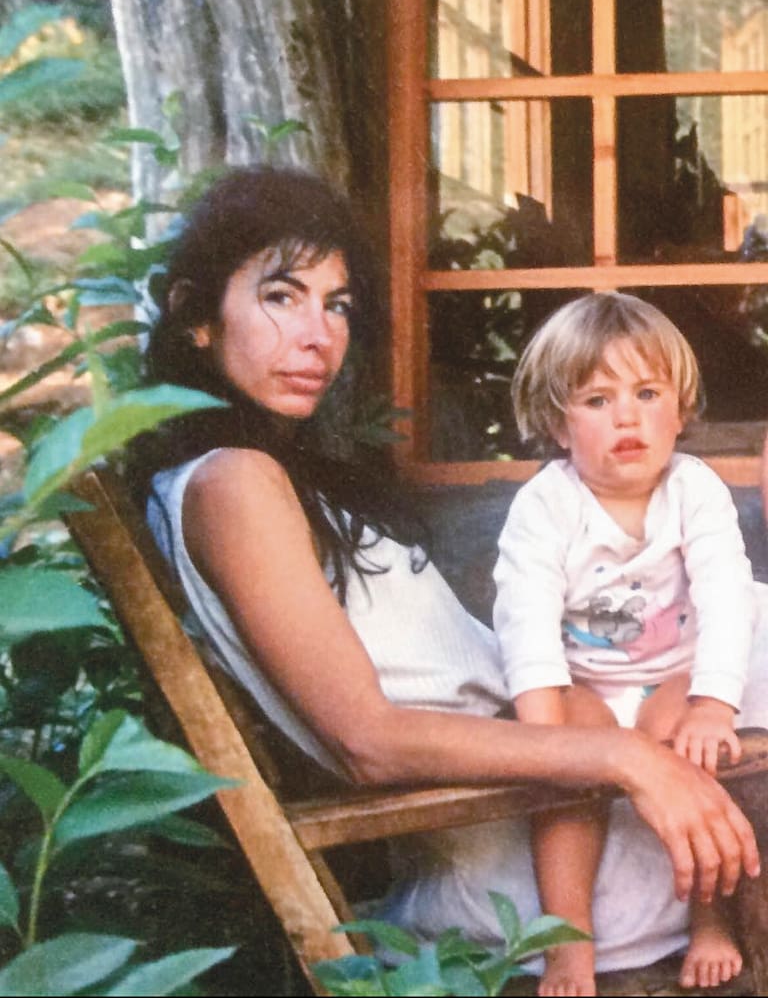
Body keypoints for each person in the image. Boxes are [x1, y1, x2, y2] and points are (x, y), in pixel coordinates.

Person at [129, 165, 764, 991]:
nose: (318, 335)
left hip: (569, 787)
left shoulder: (259, 476)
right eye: (281, 296)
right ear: (198, 317)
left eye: (337, 304)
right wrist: (630, 759)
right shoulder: (233, 484)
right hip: (549, 860)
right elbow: (368, 741)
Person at [494, 291, 762, 996]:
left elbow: (725, 594)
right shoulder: (545, 507)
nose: (627, 417)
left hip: (674, 672)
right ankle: (568, 943)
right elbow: (523, 617)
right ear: (557, 424)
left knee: (693, 743)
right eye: (597, 400)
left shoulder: (694, 490)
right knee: (567, 763)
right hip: (584, 681)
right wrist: (542, 731)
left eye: (647, 393)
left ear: (679, 411)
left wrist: (712, 700)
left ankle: (709, 919)